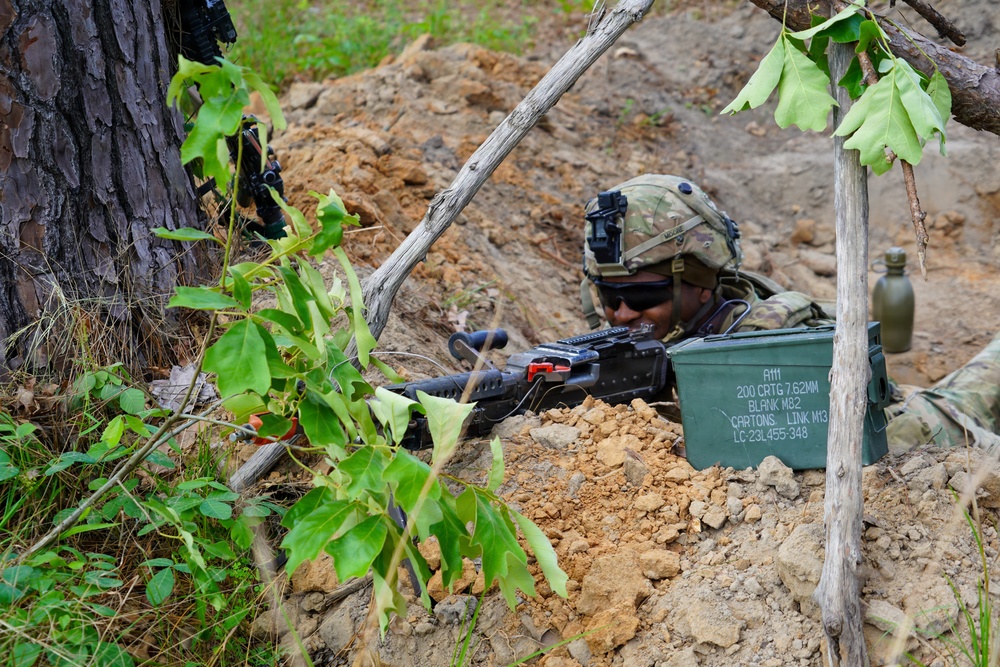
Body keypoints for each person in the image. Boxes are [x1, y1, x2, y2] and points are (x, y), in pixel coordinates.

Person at [580, 174, 1000, 454]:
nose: (621, 314)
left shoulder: (766, 341)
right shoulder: (638, 340)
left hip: (917, 425)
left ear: (701, 282)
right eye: (607, 296)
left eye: (642, 295)